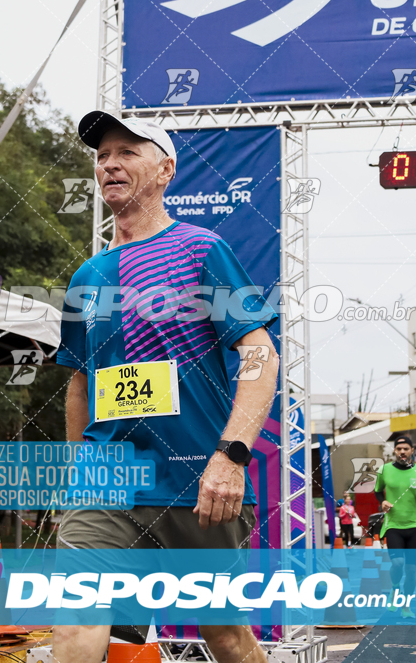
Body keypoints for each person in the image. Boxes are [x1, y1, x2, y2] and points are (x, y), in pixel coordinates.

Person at [53, 110, 279, 663]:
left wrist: (231, 456)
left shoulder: (202, 250)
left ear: (165, 169)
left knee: (223, 634)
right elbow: (81, 384)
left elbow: (260, 356)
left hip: (197, 482)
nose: (110, 164)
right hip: (109, 482)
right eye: (103, 155)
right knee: (79, 619)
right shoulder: (88, 276)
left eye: (128, 152)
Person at [375, 435, 416, 619]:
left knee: (411, 570)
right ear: (394, 451)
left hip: (415, 527)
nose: (402, 452)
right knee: (397, 563)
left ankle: (406, 606)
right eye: (399, 449)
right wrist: (383, 501)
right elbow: (377, 491)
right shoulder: (384, 470)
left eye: (406, 449)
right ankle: (394, 588)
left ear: (411, 451)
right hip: (393, 525)